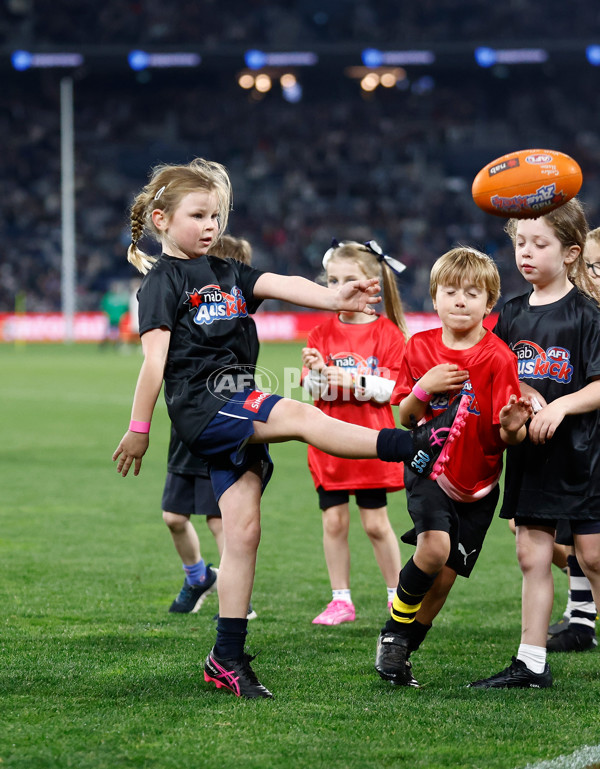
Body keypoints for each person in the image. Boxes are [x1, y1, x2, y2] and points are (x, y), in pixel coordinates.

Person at [112, 157, 467, 700]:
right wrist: (140, 427)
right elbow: (153, 363)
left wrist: (334, 297)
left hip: (235, 401)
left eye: (216, 216)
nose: (210, 226)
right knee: (300, 415)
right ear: (161, 220)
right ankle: (411, 447)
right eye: (198, 215)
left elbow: (281, 282)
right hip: (205, 405)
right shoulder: (163, 282)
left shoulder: (228, 272)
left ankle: (225, 658)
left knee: (245, 533)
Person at [374, 246, 533, 688]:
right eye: (450, 291)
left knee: (443, 580)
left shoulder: (499, 357)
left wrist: (514, 427)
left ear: (490, 302)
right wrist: (423, 389)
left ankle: (404, 646)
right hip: (429, 470)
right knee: (433, 550)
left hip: (480, 485)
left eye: (471, 292)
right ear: (435, 296)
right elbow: (404, 420)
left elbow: (508, 438)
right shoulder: (419, 347)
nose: (460, 300)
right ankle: (391, 635)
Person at [469, 199, 600, 690]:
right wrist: (522, 395)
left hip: (584, 456)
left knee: (593, 555)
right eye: (520, 243)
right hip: (531, 459)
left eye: (538, 244)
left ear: (569, 253)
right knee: (532, 554)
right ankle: (531, 662)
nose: (525, 253)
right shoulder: (510, 316)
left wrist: (561, 407)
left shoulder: (587, 315)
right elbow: (492, 372)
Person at [302, 239, 408, 625]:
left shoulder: (388, 334)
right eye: (332, 280)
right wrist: (316, 372)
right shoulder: (320, 333)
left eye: (349, 279)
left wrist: (348, 377)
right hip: (328, 446)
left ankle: (398, 597)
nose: (338, 287)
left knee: (376, 524)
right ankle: (341, 600)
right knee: (334, 523)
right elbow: (312, 393)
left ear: (372, 284)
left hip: (369, 445)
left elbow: (394, 391)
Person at [163, 236, 257, 621]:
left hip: (221, 423)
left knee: (221, 518)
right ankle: (198, 576)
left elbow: (242, 379)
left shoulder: (240, 327)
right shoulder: (190, 315)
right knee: (173, 516)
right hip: (188, 427)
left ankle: (237, 596)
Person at [545, 226, 600, 653]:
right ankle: (581, 616)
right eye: (593, 267)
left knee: (588, 544)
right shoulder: (577, 315)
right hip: (577, 443)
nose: (596, 275)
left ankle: (582, 616)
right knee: (563, 540)